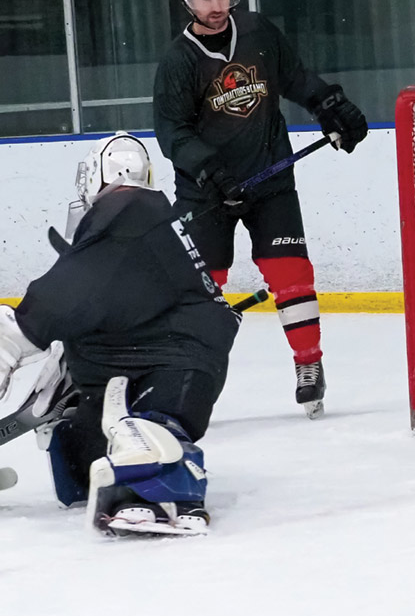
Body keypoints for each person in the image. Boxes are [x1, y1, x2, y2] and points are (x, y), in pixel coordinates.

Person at [153, 0, 368, 418]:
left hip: (269, 178)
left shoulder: (258, 32)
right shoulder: (179, 60)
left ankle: (309, 365)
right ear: (187, 0)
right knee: (202, 290)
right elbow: (173, 132)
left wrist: (330, 104)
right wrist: (211, 170)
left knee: (291, 274)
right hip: (206, 192)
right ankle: (183, 381)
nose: (215, 4)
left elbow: (294, 78)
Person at [0, 133, 241, 535]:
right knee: (77, 463)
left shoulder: (128, 209)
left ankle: (158, 475)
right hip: (151, 362)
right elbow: (110, 297)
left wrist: (11, 339)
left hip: (168, 366)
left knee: (146, 434)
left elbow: (65, 296)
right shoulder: (147, 213)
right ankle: (131, 457)